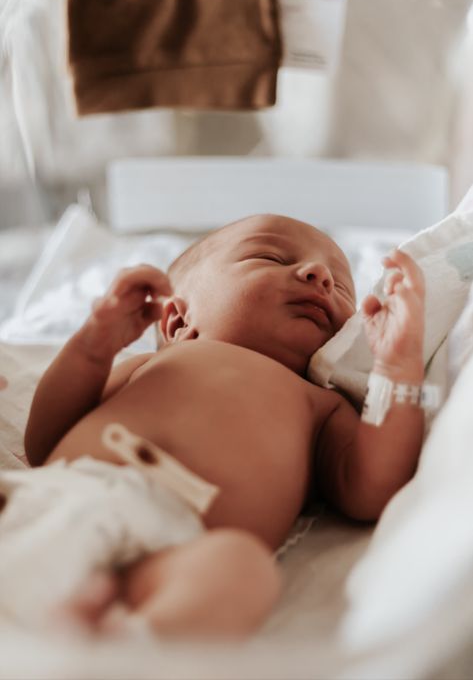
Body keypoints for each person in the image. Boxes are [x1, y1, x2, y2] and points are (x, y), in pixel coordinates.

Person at [6, 214, 426, 637]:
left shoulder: (322, 406)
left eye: (341, 287)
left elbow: (373, 487)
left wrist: (398, 368)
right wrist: (91, 347)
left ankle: (127, 645)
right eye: (270, 256)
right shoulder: (150, 363)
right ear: (177, 322)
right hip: (51, 494)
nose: (319, 276)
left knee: (243, 569)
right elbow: (45, 443)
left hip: (166, 551)